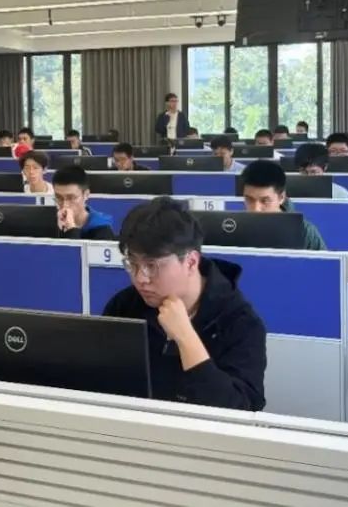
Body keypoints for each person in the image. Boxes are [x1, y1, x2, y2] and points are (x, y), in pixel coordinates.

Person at [102, 197, 267, 410]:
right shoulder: (124, 307)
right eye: (132, 264)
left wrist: (185, 337)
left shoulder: (241, 323)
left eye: (152, 265)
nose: (141, 278)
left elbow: (242, 410)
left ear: (190, 262)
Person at [239, 161, 327, 250]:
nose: (256, 209)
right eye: (249, 199)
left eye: (265, 201)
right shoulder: (235, 228)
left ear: (281, 197)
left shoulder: (305, 233)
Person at [52, 166, 115, 240]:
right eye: (59, 197)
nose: (65, 205)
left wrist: (71, 229)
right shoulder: (48, 222)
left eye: (71, 198)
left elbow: (73, 248)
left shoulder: (103, 229)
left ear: (86, 195)